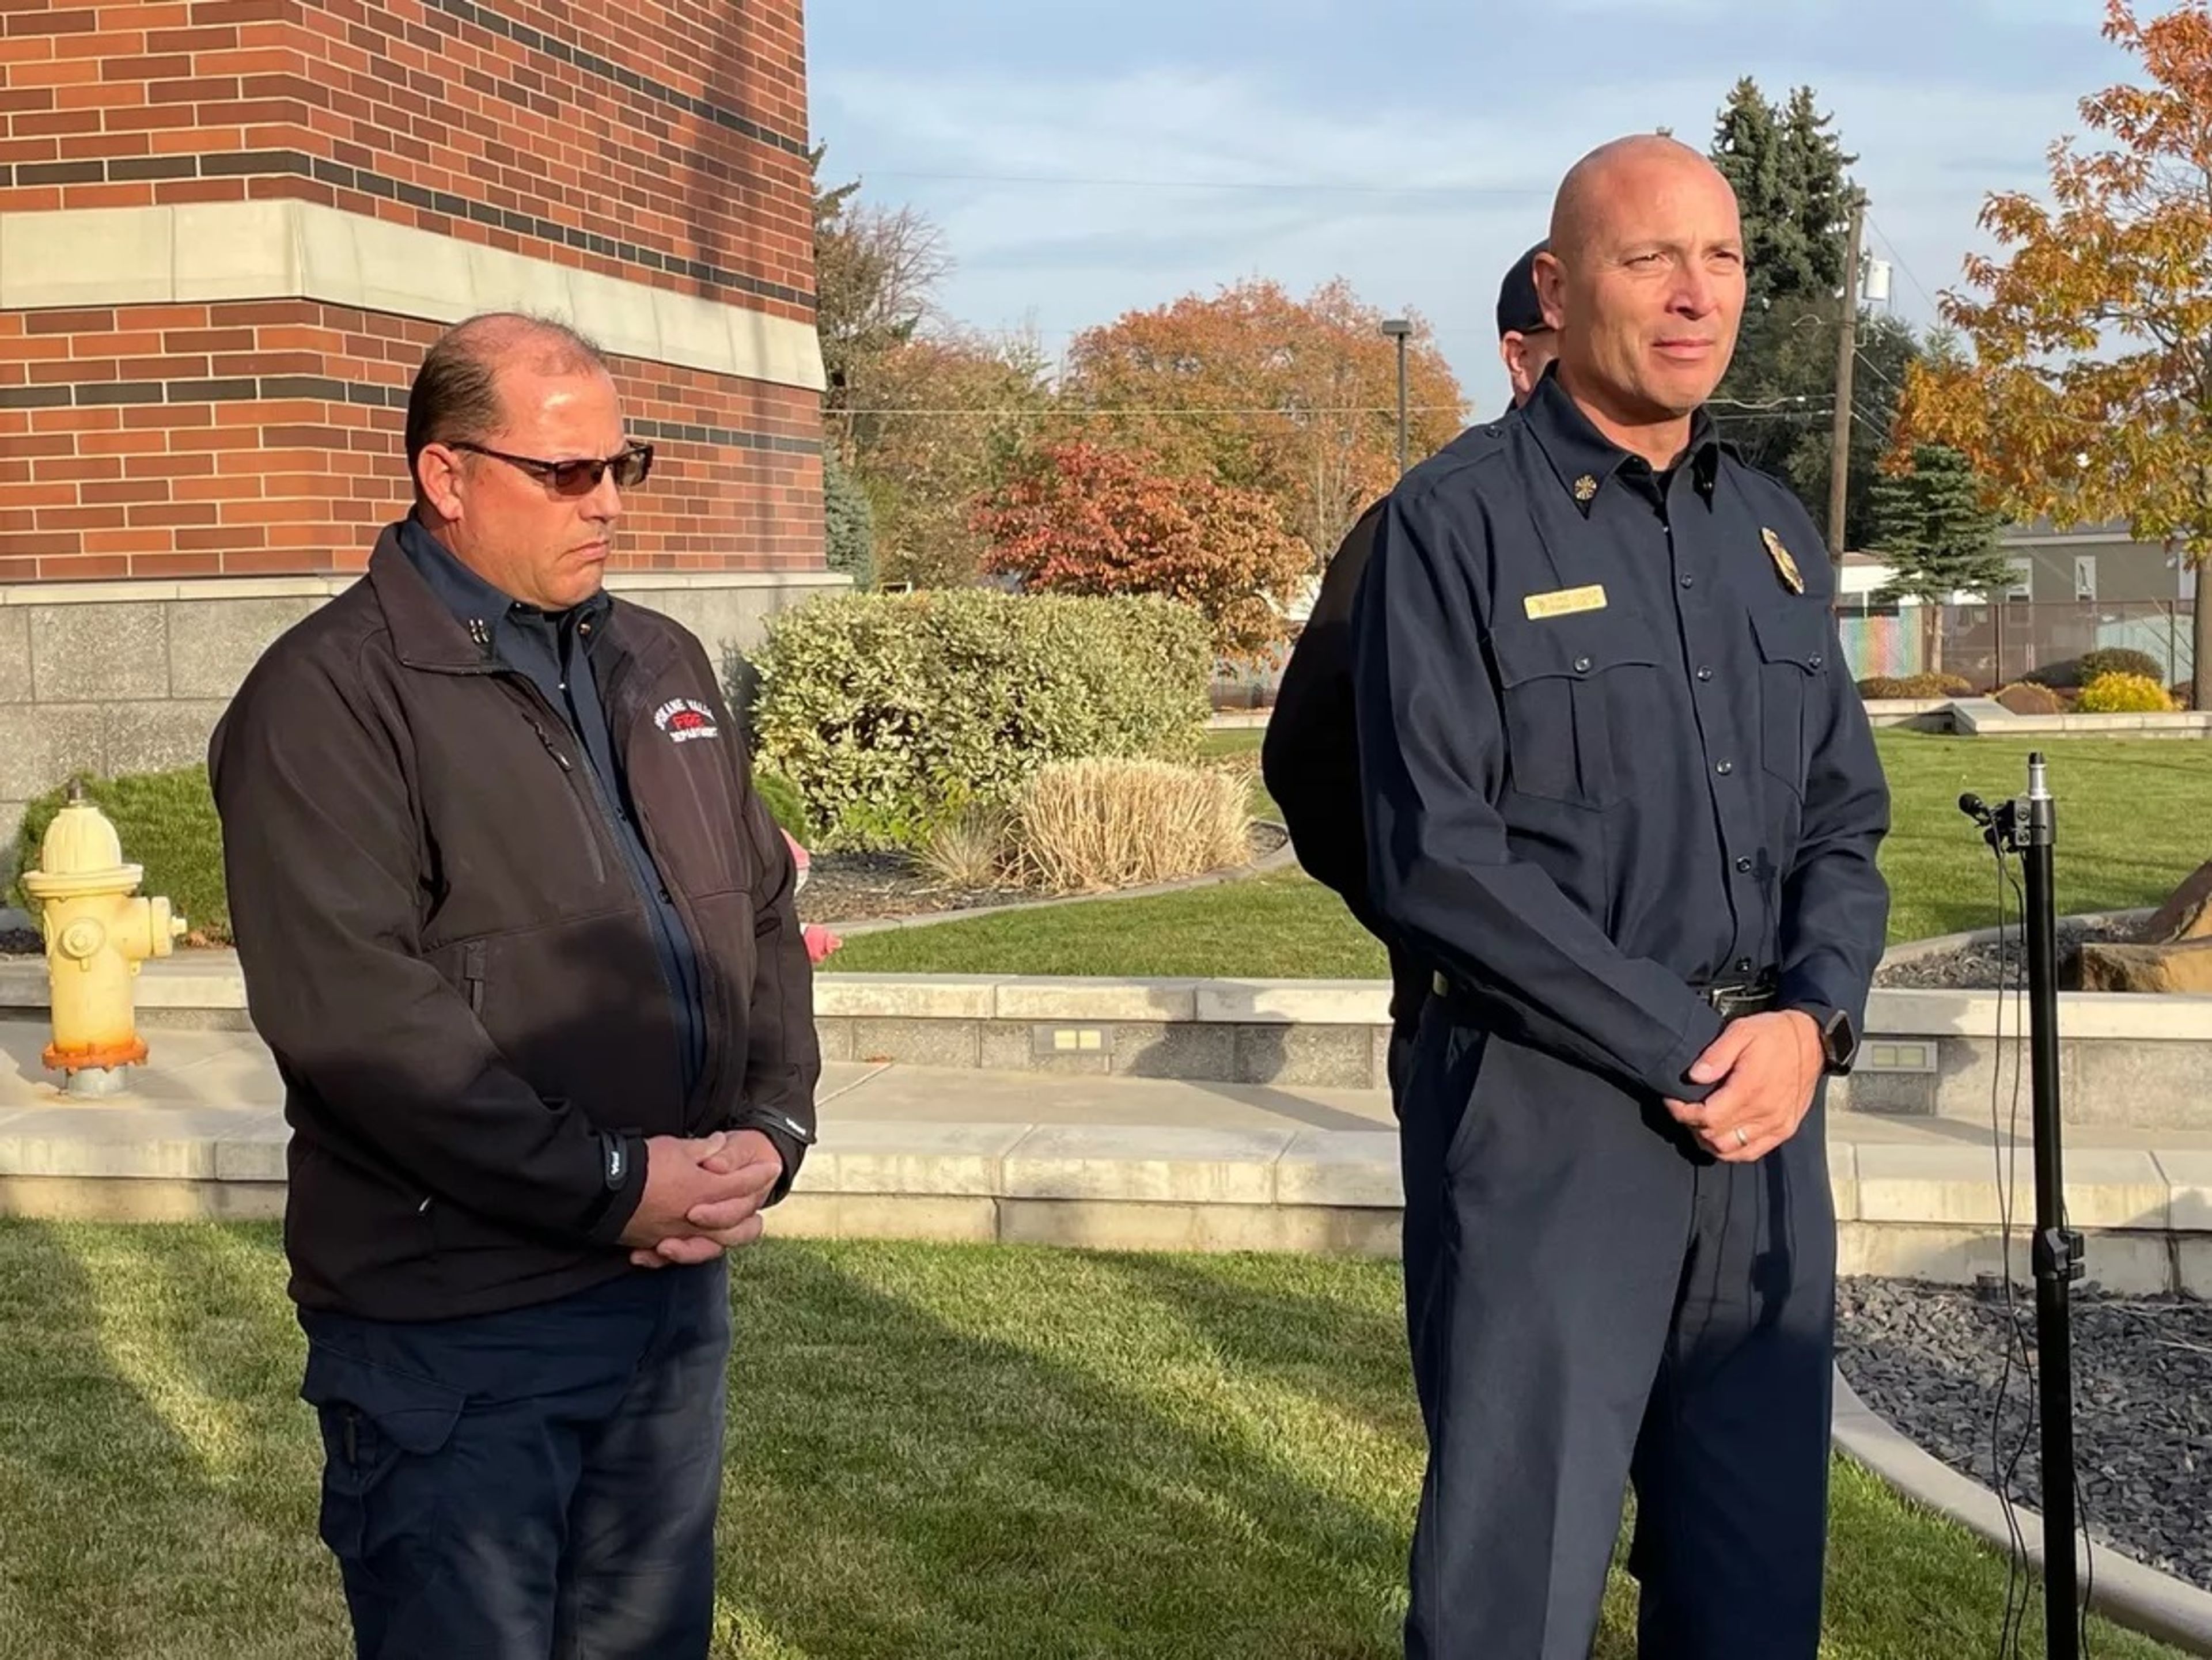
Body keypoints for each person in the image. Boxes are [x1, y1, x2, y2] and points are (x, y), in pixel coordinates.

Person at [208, 312, 822, 1659]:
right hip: (458, 1332)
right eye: (567, 472)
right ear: (445, 475)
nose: (608, 501)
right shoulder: (327, 698)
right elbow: (361, 1021)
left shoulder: (659, 660)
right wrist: (610, 1185)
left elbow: (760, 910)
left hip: (665, 1311)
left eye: (624, 465)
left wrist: (769, 1137)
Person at [1350, 136, 1889, 1658]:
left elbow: (1846, 819)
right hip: (1551, 1115)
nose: (1694, 294)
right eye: (1652, 258)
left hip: (1769, 1128)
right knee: (1513, 1594)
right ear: (1560, 282)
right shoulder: (1451, 527)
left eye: (1720, 260)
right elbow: (1435, 855)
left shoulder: (1775, 535)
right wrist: (1682, 1042)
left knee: (1755, 1584)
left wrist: (1812, 1018)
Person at [1263, 243, 1559, 1098]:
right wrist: (1424, 913)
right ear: (1520, 357)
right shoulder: (1423, 524)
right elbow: (1306, 759)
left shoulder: (1688, 525)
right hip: (1478, 1034)